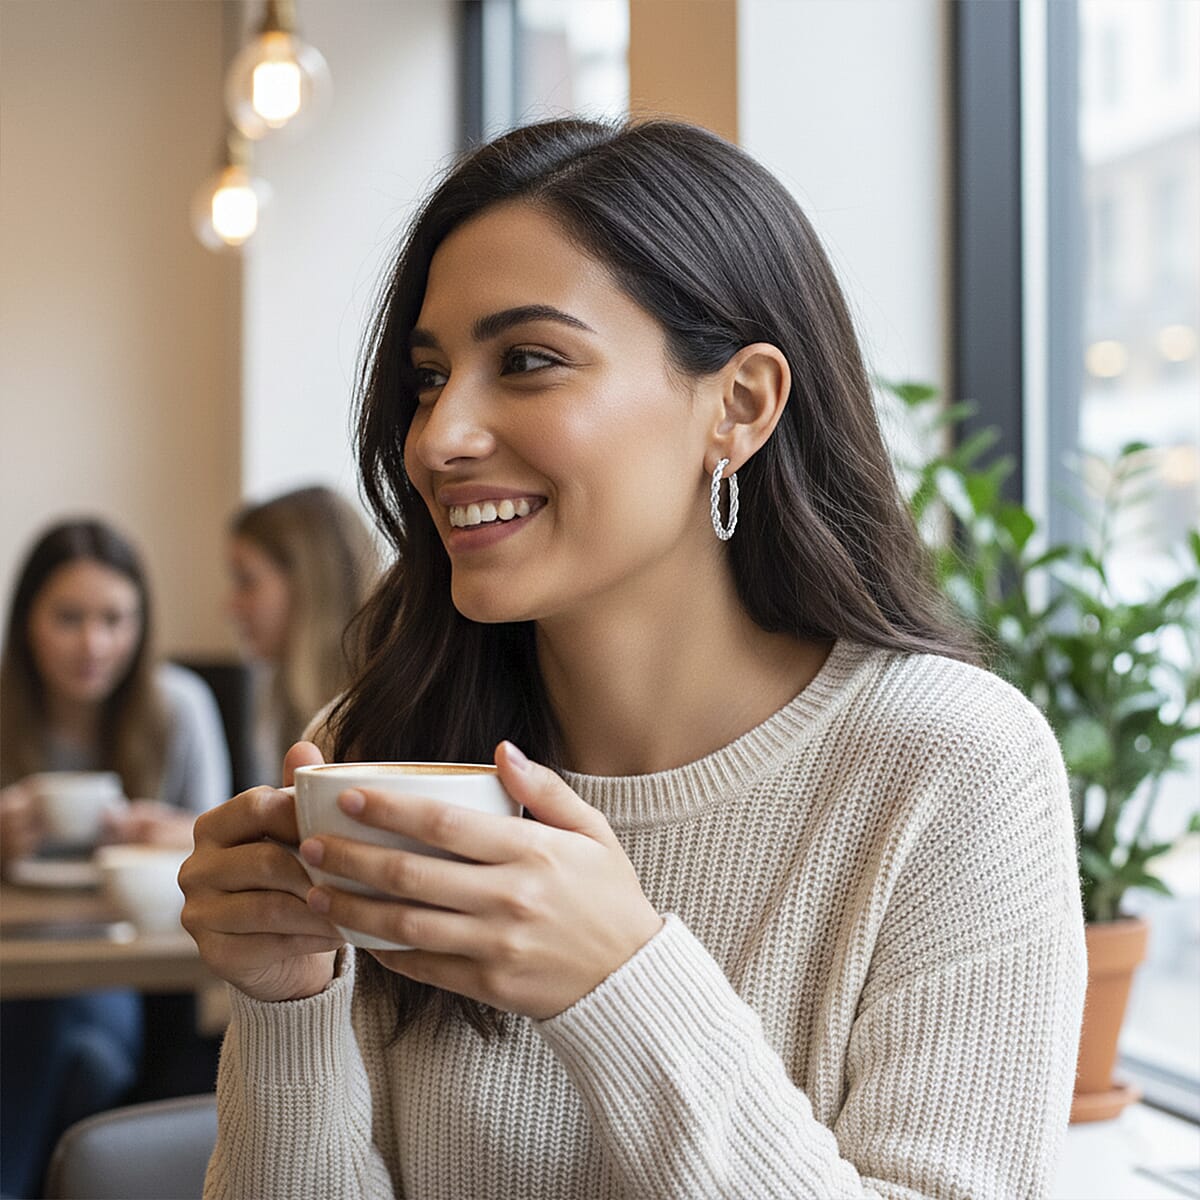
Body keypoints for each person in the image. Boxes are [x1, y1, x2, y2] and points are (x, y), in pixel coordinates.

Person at [181, 118, 1087, 1200]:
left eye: (527, 361)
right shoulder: (377, 750)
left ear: (739, 405)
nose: (437, 438)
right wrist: (288, 1002)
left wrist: (618, 982)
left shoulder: (953, 767)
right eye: (429, 377)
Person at [0, 518, 230, 1199]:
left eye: (114, 619)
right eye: (68, 618)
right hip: (17, 966)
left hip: (121, 972)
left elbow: (218, 842)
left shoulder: (178, 706)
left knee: (73, 1038)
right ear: (27, 621)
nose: (93, 644)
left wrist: (175, 834)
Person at [226, 485, 379, 786]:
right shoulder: (277, 699)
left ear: (308, 582)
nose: (231, 606)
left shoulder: (375, 717)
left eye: (246, 581)